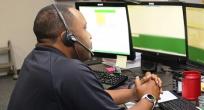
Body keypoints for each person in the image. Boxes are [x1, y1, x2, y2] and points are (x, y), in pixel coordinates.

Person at [8, 4, 162, 110]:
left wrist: (134, 93)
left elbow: (93, 96)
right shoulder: (69, 71)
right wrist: (149, 96)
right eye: (85, 28)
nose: (90, 35)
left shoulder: (35, 59)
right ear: (68, 37)